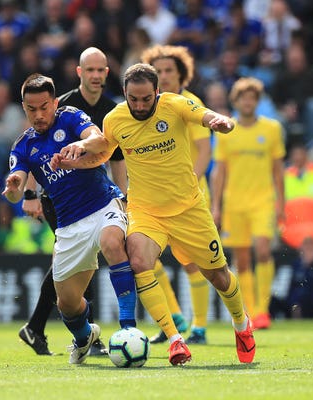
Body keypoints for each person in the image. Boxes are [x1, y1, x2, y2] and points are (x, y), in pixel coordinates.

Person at [53, 63, 256, 364]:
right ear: (125, 94)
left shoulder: (174, 104)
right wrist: (74, 163)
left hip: (189, 209)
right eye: (133, 99)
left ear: (157, 92)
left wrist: (220, 121)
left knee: (218, 276)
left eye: (146, 99)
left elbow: (203, 115)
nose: (140, 105)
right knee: (138, 260)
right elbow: (104, 154)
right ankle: (175, 340)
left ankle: (242, 325)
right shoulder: (115, 119)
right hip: (147, 212)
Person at [3, 73, 137, 365]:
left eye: (44, 107)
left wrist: (82, 146)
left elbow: (98, 139)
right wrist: (14, 188)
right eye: (31, 109)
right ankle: (84, 336)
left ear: (54, 102)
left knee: (113, 243)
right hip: (69, 225)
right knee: (67, 304)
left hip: (103, 204)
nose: (39, 115)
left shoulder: (71, 116)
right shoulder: (22, 146)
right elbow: (16, 188)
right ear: (24, 107)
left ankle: (129, 329)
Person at [140, 44, 212, 344]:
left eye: (170, 70)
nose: (165, 76)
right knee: (145, 258)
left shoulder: (189, 103)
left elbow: (205, 152)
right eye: (160, 71)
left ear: (182, 74)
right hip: (155, 199)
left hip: (187, 196)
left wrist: (187, 185)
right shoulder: (146, 106)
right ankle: (174, 317)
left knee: (193, 263)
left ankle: (199, 327)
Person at [211, 77, 285, 331]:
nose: (248, 102)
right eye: (244, 98)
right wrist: (217, 206)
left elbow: (278, 169)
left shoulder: (272, 129)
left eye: (253, 98)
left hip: (263, 200)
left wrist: (282, 203)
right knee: (241, 260)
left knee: (263, 250)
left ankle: (263, 311)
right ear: (236, 101)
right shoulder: (226, 130)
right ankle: (251, 311)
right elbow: (219, 172)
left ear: (257, 101)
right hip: (235, 202)